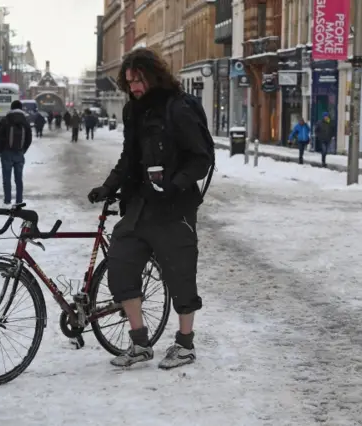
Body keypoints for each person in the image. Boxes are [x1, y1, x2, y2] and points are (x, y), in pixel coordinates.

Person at [87, 47, 211, 370]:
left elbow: (202, 158)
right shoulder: (133, 112)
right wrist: (109, 186)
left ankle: (185, 345)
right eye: (129, 82)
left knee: (180, 274)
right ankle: (140, 342)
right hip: (140, 206)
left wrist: (175, 182)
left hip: (174, 208)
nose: (135, 88)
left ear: (155, 75)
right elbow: (129, 158)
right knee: (120, 264)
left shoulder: (178, 109)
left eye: (139, 81)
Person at [0, 100, 32, 206]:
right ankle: (19, 200)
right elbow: (29, 138)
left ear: (11, 108)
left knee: (6, 178)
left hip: (6, 152)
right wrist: (23, 150)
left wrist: (0, 151)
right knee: (18, 179)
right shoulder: (25, 121)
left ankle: (7, 200)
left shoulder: (5, 120)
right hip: (19, 153)